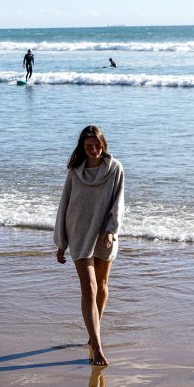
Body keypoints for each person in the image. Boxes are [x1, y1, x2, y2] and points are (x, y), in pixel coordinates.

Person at [54, 125, 125, 367]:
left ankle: (93, 332)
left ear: (103, 145)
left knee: (103, 287)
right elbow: (64, 205)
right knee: (90, 288)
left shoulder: (115, 169)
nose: (93, 150)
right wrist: (61, 242)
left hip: (105, 233)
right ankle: (97, 345)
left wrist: (112, 231)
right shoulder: (75, 171)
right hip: (80, 232)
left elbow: (119, 202)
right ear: (82, 149)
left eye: (97, 145)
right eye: (88, 146)